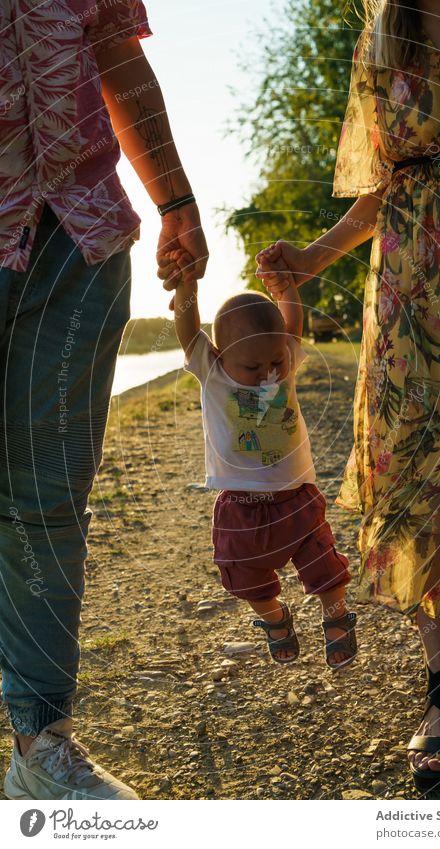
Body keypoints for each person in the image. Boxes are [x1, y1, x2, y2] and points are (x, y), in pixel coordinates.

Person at [255, 0, 440, 791]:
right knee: (413, 482)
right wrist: (311, 257)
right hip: (408, 293)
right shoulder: (384, 30)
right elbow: (383, 185)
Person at [0, 1, 208, 800]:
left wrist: (176, 200)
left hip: (76, 232)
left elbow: (116, 50)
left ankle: (39, 749)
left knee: (46, 500)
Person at [170, 248, 356, 669]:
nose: (268, 373)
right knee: (244, 576)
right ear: (219, 357)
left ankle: (337, 616)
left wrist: (287, 289)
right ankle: (276, 619)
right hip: (240, 504)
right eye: (252, 366)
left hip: (296, 496)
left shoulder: (283, 361)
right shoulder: (212, 373)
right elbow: (187, 332)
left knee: (323, 565)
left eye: (274, 361)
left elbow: (292, 325)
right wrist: (186, 288)